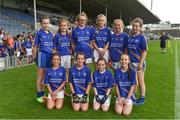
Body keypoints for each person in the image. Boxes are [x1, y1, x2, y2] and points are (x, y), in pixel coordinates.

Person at [32, 16, 54, 103]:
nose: (46, 25)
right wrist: (35, 57)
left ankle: (43, 94)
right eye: (44, 23)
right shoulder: (39, 33)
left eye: (47, 23)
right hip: (42, 55)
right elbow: (35, 46)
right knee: (40, 76)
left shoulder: (51, 34)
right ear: (41, 24)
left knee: (46, 76)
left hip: (50, 57)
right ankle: (39, 95)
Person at [126, 17, 148, 105]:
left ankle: (142, 97)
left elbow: (145, 51)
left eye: (137, 26)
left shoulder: (142, 37)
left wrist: (141, 62)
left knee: (141, 80)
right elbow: (127, 50)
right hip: (130, 63)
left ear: (140, 27)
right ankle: (133, 96)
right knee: (132, 80)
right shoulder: (129, 37)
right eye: (133, 26)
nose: (134, 28)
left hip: (138, 63)